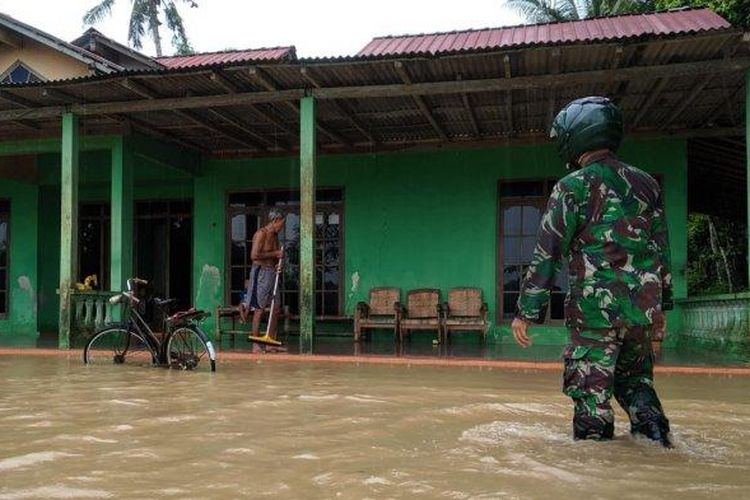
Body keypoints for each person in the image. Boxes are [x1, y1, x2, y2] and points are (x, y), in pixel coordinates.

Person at [512, 96, 673, 448]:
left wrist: (526, 312)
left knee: (591, 394)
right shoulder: (648, 185)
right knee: (636, 383)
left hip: (594, 314)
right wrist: (663, 307)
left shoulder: (572, 186)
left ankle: (594, 471)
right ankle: (661, 447)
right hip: (641, 312)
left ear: (577, 135)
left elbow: (547, 253)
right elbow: (661, 250)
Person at [239, 208, 286, 351]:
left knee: (276, 308)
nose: (282, 227)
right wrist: (275, 253)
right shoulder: (261, 234)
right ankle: (255, 344)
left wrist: (279, 264)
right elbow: (254, 256)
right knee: (259, 308)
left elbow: (278, 257)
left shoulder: (275, 237)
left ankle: (270, 343)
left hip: (273, 273)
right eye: (281, 224)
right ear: (275, 220)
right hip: (261, 273)